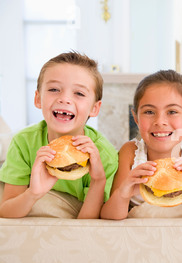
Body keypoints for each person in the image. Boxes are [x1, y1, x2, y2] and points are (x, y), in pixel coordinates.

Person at [0, 51, 118, 219]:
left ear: (95, 108)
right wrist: (33, 194)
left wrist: (98, 181)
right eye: (54, 89)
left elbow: (88, 227)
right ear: (38, 98)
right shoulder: (23, 142)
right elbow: (5, 212)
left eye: (79, 93)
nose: (65, 99)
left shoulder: (103, 154)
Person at [100, 70, 182, 220]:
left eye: (172, 111)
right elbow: (109, 216)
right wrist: (123, 193)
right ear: (136, 118)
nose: (160, 121)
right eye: (149, 112)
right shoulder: (131, 152)